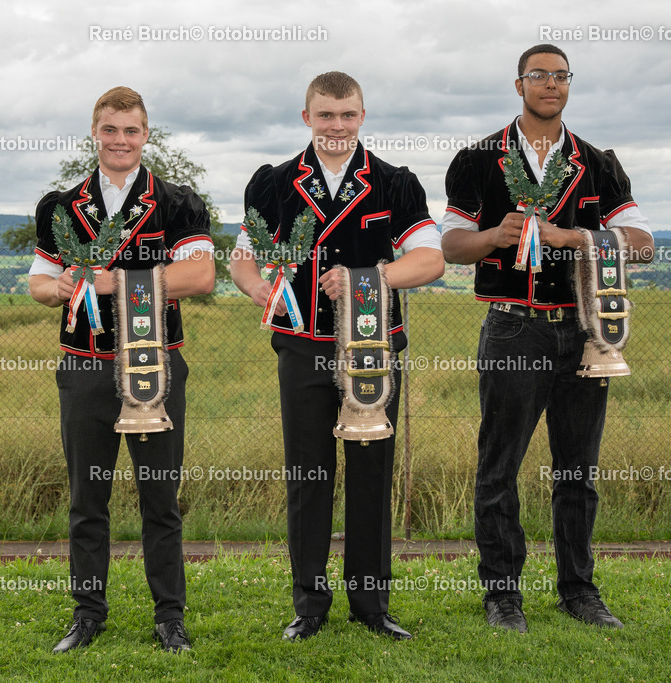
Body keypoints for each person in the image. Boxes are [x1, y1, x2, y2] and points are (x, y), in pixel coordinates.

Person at [441, 44, 654, 632]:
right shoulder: (478, 158)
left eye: (561, 77)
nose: (551, 85)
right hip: (513, 326)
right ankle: (503, 595)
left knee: (577, 470)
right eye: (539, 76)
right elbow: (450, 246)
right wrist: (492, 237)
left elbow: (641, 242)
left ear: (568, 86)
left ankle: (578, 590)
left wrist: (572, 237)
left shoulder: (598, 162)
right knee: (499, 466)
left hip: (587, 331)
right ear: (519, 85)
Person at [230, 71, 444, 641]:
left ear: (362, 117)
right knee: (308, 475)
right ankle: (310, 605)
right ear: (307, 119)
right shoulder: (272, 183)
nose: (337, 126)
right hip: (302, 350)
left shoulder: (395, 183)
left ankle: (372, 607)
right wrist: (258, 290)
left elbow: (430, 261)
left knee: (372, 474)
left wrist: (367, 278)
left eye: (348, 115)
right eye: (326, 115)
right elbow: (243, 259)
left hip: (373, 348)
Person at [28, 86, 214, 653]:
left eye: (131, 131)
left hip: (155, 366)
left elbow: (201, 276)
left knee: (160, 498)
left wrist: (119, 282)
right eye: (110, 130)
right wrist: (56, 286)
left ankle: (169, 619)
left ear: (146, 136)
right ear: (95, 132)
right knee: (88, 499)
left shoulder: (178, 201)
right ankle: (87, 614)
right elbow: (37, 283)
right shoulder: (61, 205)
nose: (120, 141)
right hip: (84, 365)